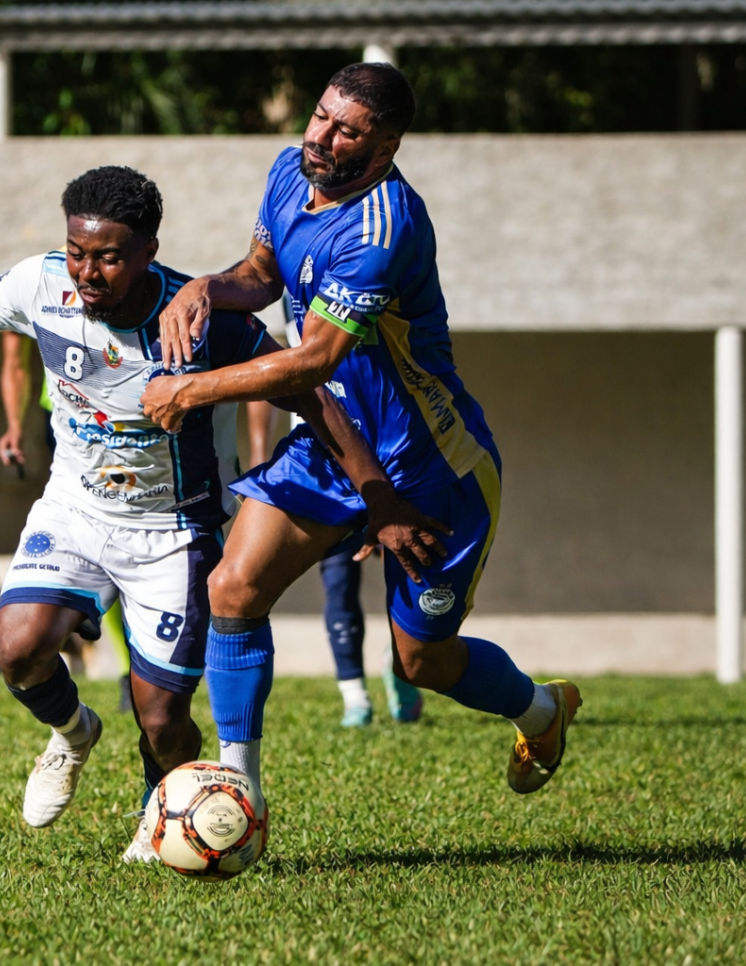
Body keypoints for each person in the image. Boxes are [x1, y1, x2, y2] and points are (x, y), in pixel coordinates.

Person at [0, 165, 391, 860]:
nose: (87, 271)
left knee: (161, 717)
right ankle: (73, 732)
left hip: (172, 532)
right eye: (78, 251)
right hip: (73, 510)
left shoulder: (203, 323)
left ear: (147, 252)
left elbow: (310, 394)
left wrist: (379, 499)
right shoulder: (40, 283)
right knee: (17, 648)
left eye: (108, 256)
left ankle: (158, 812)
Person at [141, 62, 582, 803]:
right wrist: (206, 288)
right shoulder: (288, 169)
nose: (321, 136)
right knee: (234, 587)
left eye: (347, 131)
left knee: (422, 663)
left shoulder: (387, 224)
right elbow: (262, 270)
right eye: (320, 116)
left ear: (385, 148)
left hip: (428, 468)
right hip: (329, 446)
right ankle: (237, 795)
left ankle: (542, 709)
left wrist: (192, 390)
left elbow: (312, 358)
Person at [246, 323, 422, 729]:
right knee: (339, 580)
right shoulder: (292, 295)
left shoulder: (370, 286)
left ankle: (405, 661)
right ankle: (354, 695)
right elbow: (268, 374)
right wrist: (259, 461)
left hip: (389, 455)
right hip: (325, 466)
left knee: (408, 566)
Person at [0, 330, 134, 713]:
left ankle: (143, 663)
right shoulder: (34, 282)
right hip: (64, 418)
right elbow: (13, 361)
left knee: (128, 535)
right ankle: (126, 669)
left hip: (127, 412)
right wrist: (14, 423)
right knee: (94, 539)